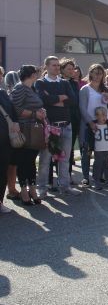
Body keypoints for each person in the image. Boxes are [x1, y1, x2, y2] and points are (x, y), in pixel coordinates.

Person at [35, 56, 80, 198]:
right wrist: (62, 98)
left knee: (65, 159)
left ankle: (65, 186)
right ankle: (42, 188)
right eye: (53, 65)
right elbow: (43, 100)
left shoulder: (65, 83)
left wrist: (53, 99)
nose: (56, 68)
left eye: (57, 65)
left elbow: (73, 101)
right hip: (50, 127)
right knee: (45, 160)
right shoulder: (40, 83)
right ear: (46, 67)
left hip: (66, 125)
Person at [10, 65, 46, 205]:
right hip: (24, 129)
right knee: (23, 161)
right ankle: (24, 190)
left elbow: (34, 105)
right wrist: (34, 114)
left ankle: (32, 189)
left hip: (35, 129)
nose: (38, 74)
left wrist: (41, 111)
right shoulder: (20, 88)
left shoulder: (32, 88)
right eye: (36, 72)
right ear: (31, 74)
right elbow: (15, 108)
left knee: (31, 161)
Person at [79, 64, 108, 187]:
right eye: (95, 73)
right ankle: (86, 177)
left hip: (104, 125)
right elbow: (82, 108)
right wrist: (90, 123)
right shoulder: (85, 89)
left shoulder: (106, 89)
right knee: (87, 152)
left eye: (100, 73)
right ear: (90, 73)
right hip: (89, 124)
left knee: (103, 154)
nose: (97, 75)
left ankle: (100, 177)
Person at [59, 59, 81, 184]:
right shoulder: (59, 82)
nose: (72, 71)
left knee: (70, 149)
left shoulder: (74, 83)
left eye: (73, 69)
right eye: (69, 68)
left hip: (74, 119)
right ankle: (57, 177)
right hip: (61, 118)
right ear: (62, 70)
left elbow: (75, 100)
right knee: (58, 149)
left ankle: (68, 175)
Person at [0, 87, 19, 213]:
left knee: (2, 171)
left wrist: (15, 122)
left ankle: (0, 202)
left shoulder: (2, 93)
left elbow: (12, 110)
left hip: (5, 139)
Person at [90, 107, 108, 190]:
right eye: (102, 115)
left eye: (105, 115)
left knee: (107, 165)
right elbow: (91, 138)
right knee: (98, 166)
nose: (104, 117)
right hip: (98, 150)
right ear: (96, 116)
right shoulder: (94, 126)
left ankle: (107, 181)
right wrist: (90, 148)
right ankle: (96, 181)